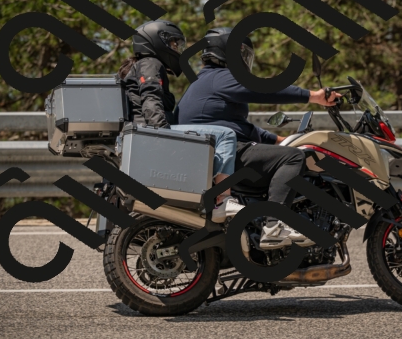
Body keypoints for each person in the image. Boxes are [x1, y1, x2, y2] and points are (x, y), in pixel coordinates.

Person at [174, 27, 341, 248]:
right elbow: (265, 89)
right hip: (224, 153)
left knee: (285, 151)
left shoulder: (207, 80)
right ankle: (275, 225)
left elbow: (239, 127)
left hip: (215, 151)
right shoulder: (221, 77)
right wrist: (313, 96)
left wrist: (279, 140)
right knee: (293, 158)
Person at [118, 20, 242, 222]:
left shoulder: (142, 65)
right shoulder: (151, 63)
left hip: (143, 132)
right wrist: (163, 136)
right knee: (226, 134)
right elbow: (151, 100)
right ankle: (223, 200)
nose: (176, 49)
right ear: (156, 41)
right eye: (173, 44)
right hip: (148, 132)